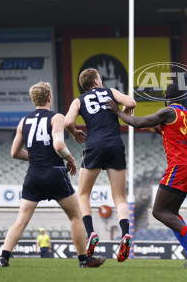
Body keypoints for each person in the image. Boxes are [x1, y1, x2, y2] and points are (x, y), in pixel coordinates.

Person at [0, 81, 105, 268]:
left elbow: (14, 152)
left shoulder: (24, 121)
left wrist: (37, 157)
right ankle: (83, 260)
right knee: (76, 216)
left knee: (21, 220)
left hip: (33, 174)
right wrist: (70, 159)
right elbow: (59, 145)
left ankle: (3, 258)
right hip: (54, 173)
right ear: (49, 98)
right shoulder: (57, 117)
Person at [107, 83, 187, 268]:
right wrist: (157, 128)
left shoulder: (168, 111)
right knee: (172, 214)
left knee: (159, 212)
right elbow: (174, 133)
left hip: (178, 165)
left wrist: (117, 112)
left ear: (166, 100)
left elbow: (138, 123)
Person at [65, 68, 137, 262]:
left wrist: (75, 133)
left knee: (83, 194)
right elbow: (131, 102)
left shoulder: (78, 100)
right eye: (100, 78)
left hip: (94, 145)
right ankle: (125, 234)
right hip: (115, 144)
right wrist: (125, 111)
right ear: (96, 81)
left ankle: (91, 234)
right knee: (120, 197)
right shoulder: (110, 91)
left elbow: (68, 121)